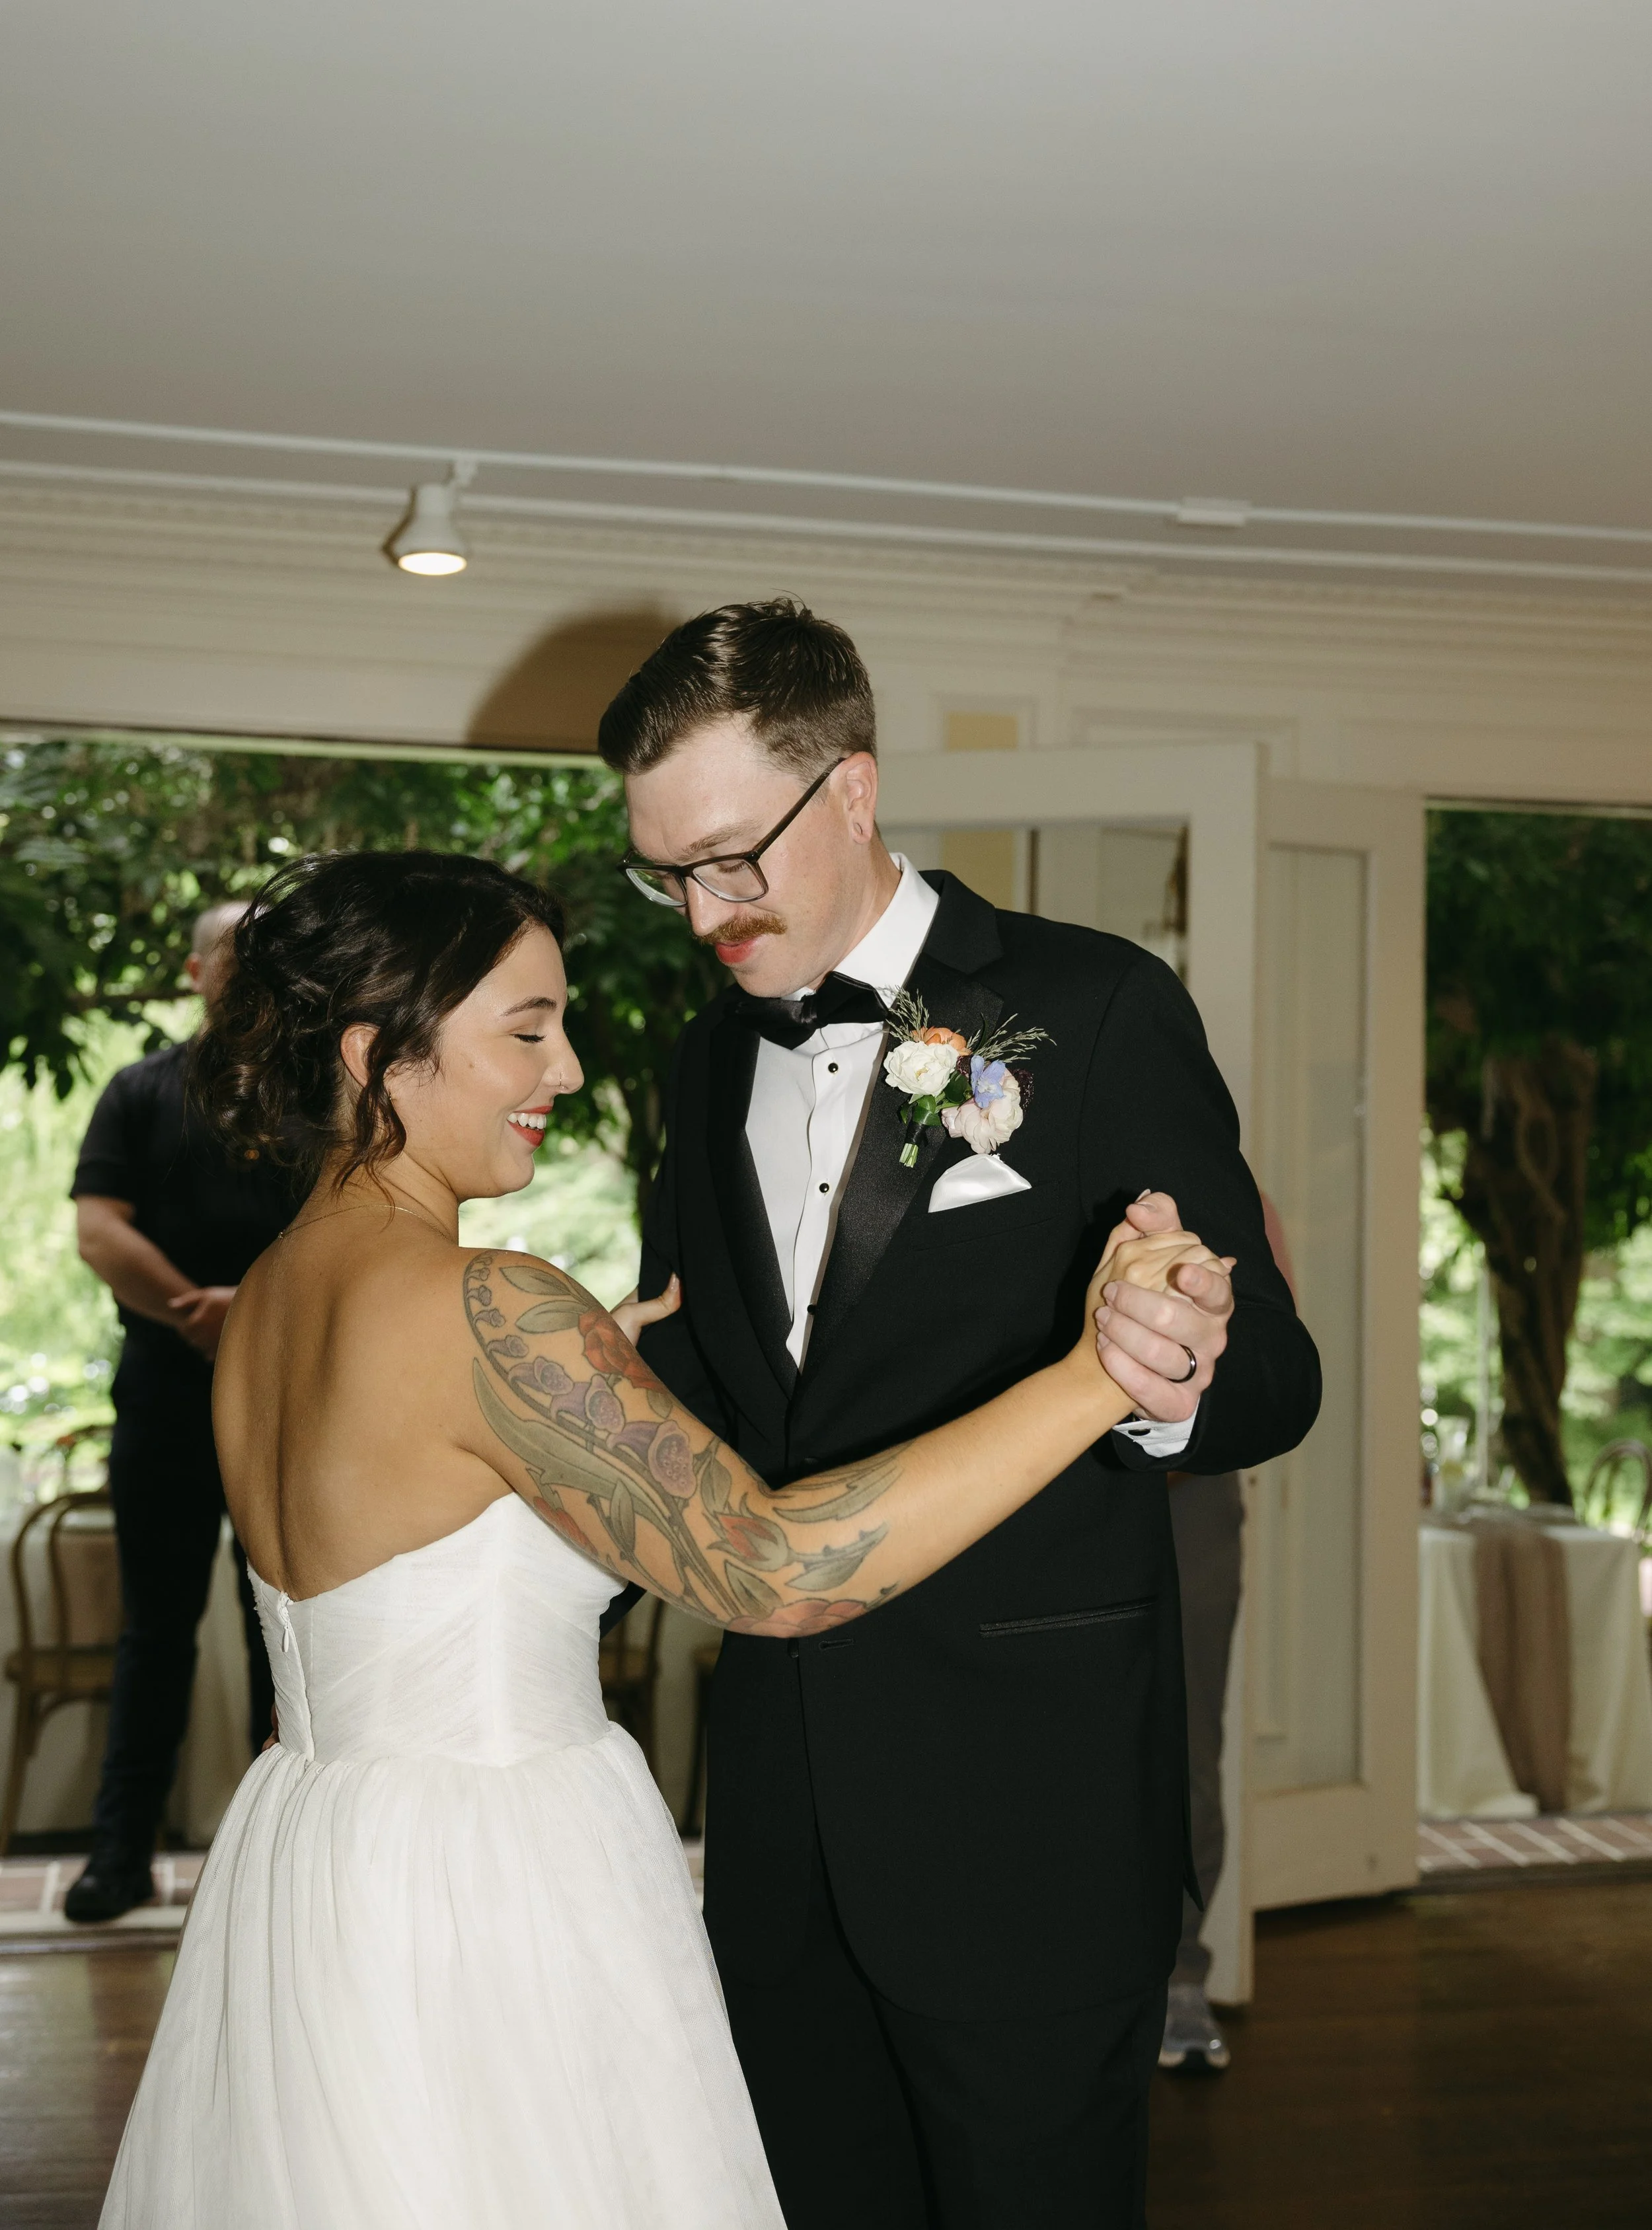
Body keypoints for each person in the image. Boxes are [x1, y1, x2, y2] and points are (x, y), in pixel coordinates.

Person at [99, 848, 1222, 2229]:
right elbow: (772, 1569)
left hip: (321, 1861)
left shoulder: (267, 1298)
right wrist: (1092, 1376)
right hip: (497, 1875)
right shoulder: (486, 1307)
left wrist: (590, 1390)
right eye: (525, 1029)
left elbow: (423, 1508)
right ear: (378, 1056)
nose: (563, 1072)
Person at [600, 598, 1322, 2229]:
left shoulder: (1094, 1008)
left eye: (731, 857)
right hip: (784, 1825)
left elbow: (1275, 1378)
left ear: (850, 790)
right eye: (665, 873)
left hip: (1028, 1824)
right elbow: (732, 1395)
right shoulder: (711, 1058)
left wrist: (1165, 1366)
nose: (702, 912)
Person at [66, 901, 299, 1924]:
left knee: (279, 1633)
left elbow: (364, 1231)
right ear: (197, 971)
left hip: (290, 1400)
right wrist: (190, 1311)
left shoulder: (315, 1093)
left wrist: (250, 1307)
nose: (249, 976)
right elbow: (96, 1229)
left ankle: (276, 1863)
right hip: (163, 1402)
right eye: (234, 959)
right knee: (154, 1631)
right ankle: (119, 1859)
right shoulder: (138, 1092)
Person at [1160, 1192, 1298, 2075]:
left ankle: (1180, 1977)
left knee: (1186, 1747)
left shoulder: (1235, 1198)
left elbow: (1274, 1367)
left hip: (1189, 1501)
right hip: (1036, 1494)